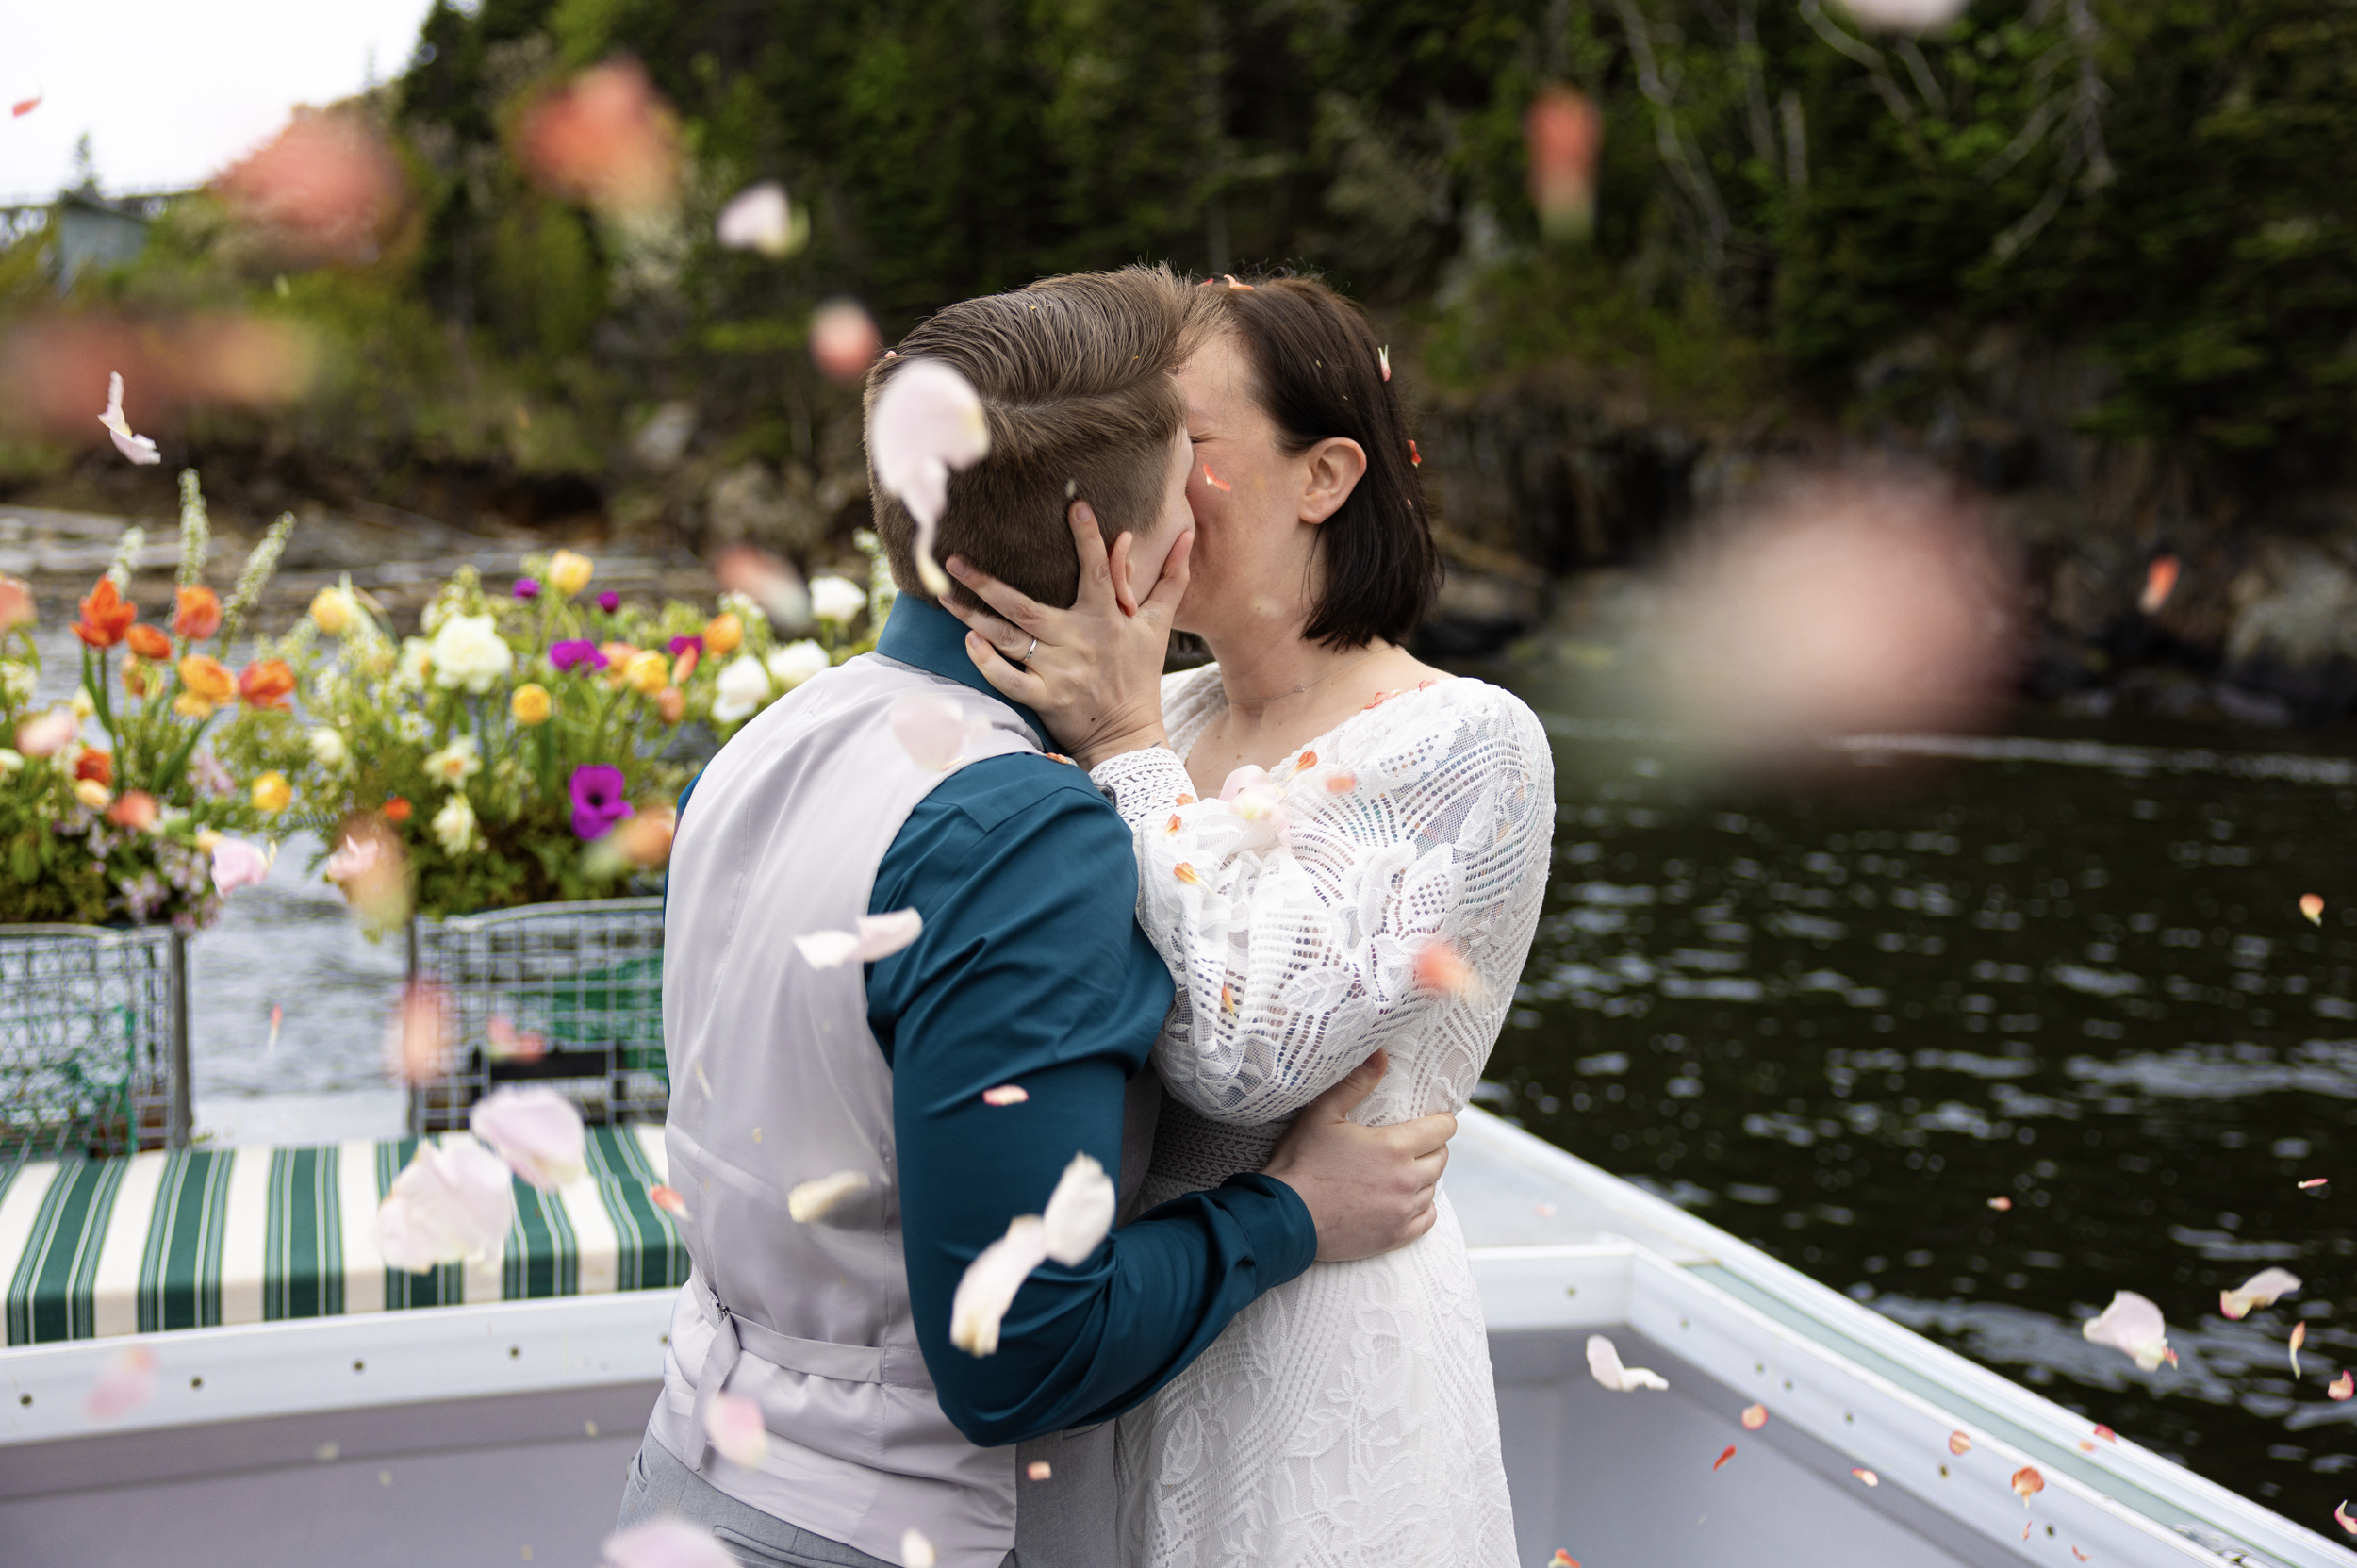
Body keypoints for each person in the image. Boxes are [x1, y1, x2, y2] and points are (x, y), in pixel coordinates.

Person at [618, 265, 1460, 1568]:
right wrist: (1294, 1213)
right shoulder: (1025, 828)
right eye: (1196, 484)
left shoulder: (773, 737)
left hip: (691, 1468)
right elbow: (1020, 1349)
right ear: (1135, 556)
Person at [942, 268, 1556, 1567]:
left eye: (1182, 446)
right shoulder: (1177, 714)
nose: (1137, 484)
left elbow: (1244, 1050)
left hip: (1317, 1358)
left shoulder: (1465, 743)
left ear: (1325, 476)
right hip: (1142, 1322)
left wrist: (1115, 736)